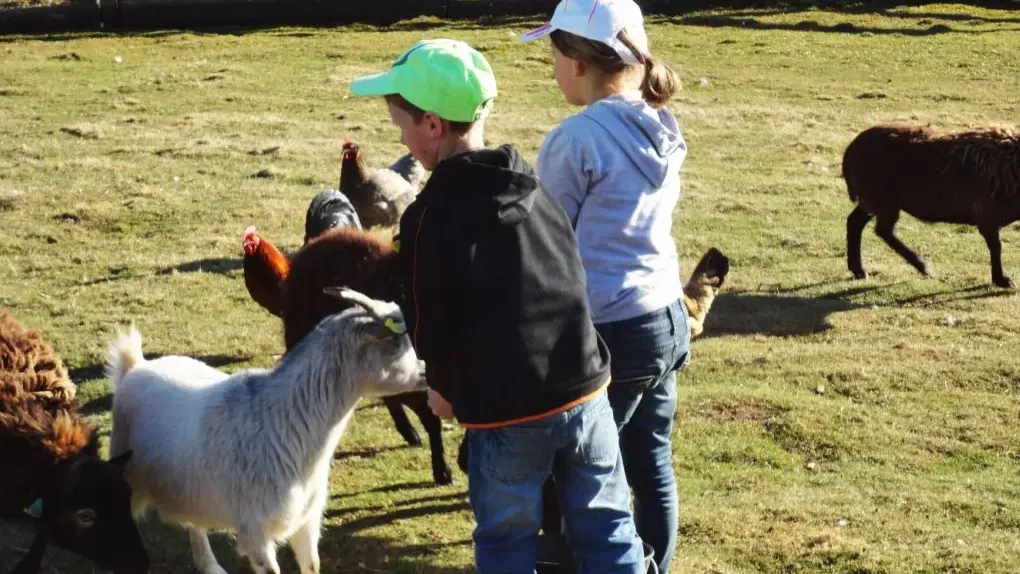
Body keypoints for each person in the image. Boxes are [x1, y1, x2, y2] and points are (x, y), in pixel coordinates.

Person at [348, 38, 648, 574]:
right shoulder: (531, 184)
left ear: (434, 126)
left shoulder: (428, 219)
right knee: (608, 529)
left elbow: (426, 314)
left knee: (506, 538)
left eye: (402, 123)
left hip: (507, 416)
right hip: (585, 391)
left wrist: (440, 385)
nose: (399, 136)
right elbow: (570, 274)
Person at [520, 1, 692, 572]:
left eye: (553, 52)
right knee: (650, 459)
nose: (551, 65)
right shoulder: (659, 123)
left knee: (585, 470)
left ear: (576, 61)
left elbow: (547, 239)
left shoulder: (576, 139)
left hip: (609, 328)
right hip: (665, 316)